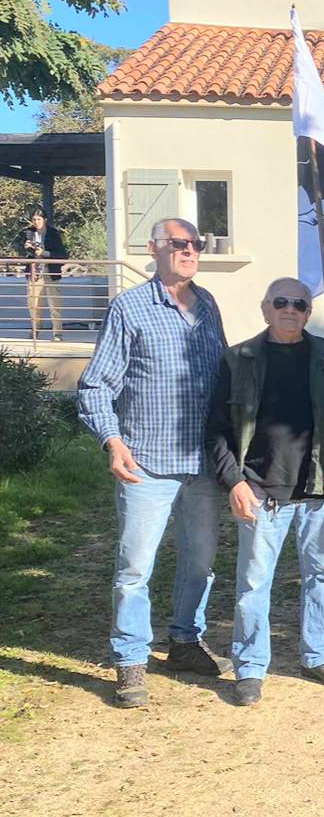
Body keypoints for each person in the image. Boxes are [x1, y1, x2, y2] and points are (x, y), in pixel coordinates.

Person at [77, 218, 228, 708]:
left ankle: (185, 641)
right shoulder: (129, 307)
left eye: (195, 244)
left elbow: (223, 378)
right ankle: (130, 660)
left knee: (201, 562)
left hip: (203, 463)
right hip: (146, 463)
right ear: (155, 249)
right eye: (178, 244)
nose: (189, 251)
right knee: (134, 568)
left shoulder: (208, 305)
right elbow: (96, 384)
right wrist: (112, 440)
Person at [204, 277, 324, 706]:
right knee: (254, 582)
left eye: (299, 303)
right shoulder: (238, 359)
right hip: (260, 489)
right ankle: (250, 666)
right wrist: (234, 481)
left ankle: (318, 655)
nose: (290, 309)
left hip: (317, 487)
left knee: (320, 575)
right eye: (281, 302)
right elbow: (217, 429)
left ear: (308, 312)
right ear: (265, 308)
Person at [12, 208, 67, 341]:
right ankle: (35, 330)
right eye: (34, 219)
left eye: (39, 219)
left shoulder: (53, 233)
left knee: (55, 305)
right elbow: (20, 252)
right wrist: (25, 247)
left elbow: (62, 255)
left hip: (50, 273)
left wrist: (44, 253)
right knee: (34, 304)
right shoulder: (28, 233)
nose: (36, 222)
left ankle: (57, 334)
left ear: (45, 220)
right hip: (34, 273)